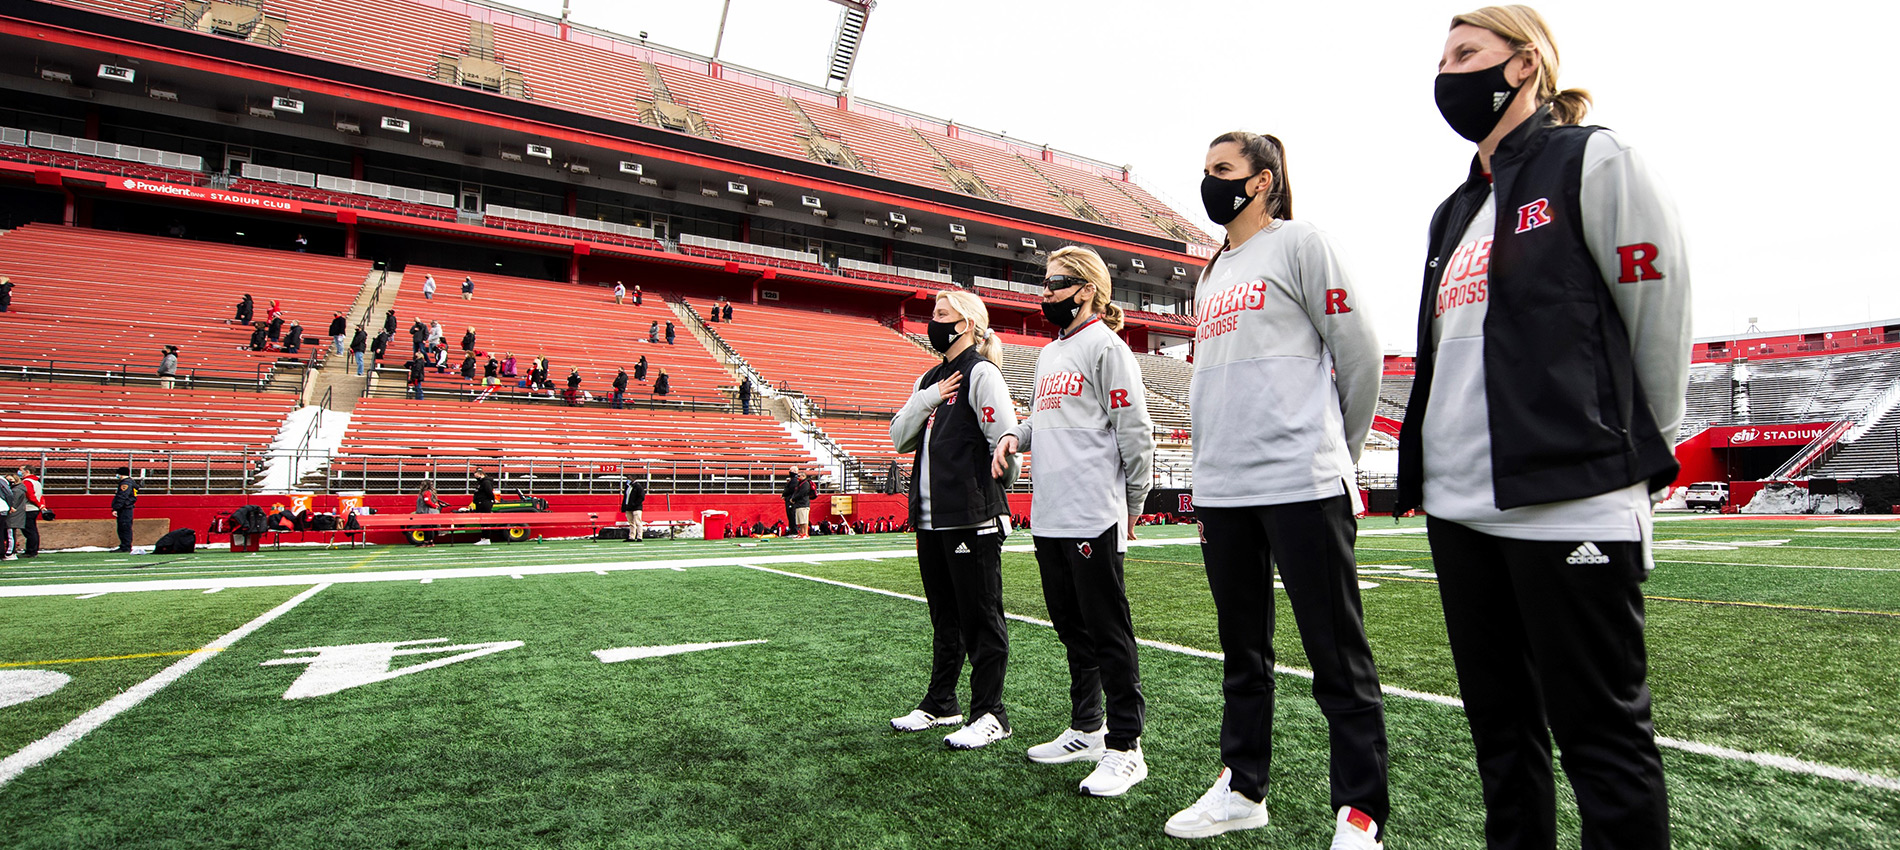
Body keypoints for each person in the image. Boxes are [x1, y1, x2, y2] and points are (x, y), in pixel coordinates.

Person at [1396, 9, 1689, 850]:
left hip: (1571, 494)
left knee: (1602, 742)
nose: (1446, 74)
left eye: (1465, 54)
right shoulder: (1453, 212)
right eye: (1442, 57)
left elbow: (1657, 306)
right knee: (1501, 739)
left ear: (1524, 65)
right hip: (1460, 504)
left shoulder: (1593, 157)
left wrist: (1623, 449)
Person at [1158, 132, 1388, 845]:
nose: (1209, 182)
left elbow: (1361, 354)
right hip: (1224, 488)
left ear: (1262, 181)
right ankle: (1243, 786)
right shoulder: (1213, 269)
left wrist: (1336, 457)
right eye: (1204, 171)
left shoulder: (1301, 243)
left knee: (1335, 656)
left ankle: (1360, 812)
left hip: (1300, 480)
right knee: (1243, 653)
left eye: (1221, 170)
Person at [991, 246, 1157, 796]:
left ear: (1086, 290)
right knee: (1071, 627)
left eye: (1055, 284)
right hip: (1051, 515)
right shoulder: (1048, 354)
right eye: (1044, 283)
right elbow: (1042, 418)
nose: (1045, 295)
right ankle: (1087, 727)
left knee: (1109, 632)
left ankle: (1126, 747)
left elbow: (1135, 432)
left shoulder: (1108, 348)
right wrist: (1016, 434)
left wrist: (1132, 503)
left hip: (1093, 514)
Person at [889, 289, 1020, 750]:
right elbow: (899, 438)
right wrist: (926, 398)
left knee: (981, 616)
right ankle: (941, 702)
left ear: (965, 324)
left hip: (971, 518)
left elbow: (1005, 441)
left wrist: (1004, 473)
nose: (933, 321)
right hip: (931, 520)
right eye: (933, 314)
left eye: (942, 315)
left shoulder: (982, 373)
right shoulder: (930, 377)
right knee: (945, 617)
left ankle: (992, 712)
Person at [15, 466, 42, 558]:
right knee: (33, 530)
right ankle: (33, 549)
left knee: (29, 530)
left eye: (21, 470)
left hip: (28, 508)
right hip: (34, 508)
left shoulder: (27, 482)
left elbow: (30, 495)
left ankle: (31, 551)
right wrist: (41, 505)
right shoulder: (36, 482)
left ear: (26, 471)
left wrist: (38, 504)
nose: (19, 472)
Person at [110, 467, 137, 552]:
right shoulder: (130, 482)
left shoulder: (126, 483)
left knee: (124, 527)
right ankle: (125, 545)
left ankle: (125, 546)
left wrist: (116, 508)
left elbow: (122, 497)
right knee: (124, 527)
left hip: (125, 508)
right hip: (126, 508)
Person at [0, 473, 23, 560]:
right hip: (4, 509)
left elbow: (9, 495)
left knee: (6, 532)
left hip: (3, 509)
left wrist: (10, 506)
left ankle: (7, 552)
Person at [620, 475, 647, 541]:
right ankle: (631, 536)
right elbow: (626, 497)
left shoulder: (638, 487)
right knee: (631, 523)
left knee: (638, 522)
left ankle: (639, 536)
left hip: (636, 507)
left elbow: (641, 497)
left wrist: (635, 504)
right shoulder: (628, 487)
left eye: (629, 478)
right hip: (629, 507)